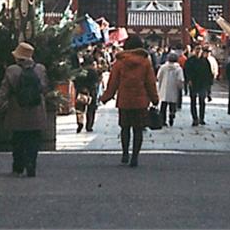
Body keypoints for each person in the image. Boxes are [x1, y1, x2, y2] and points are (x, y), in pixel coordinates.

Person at [100, 34, 158, 167]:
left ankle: (125, 153)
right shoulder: (145, 62)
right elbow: (150, 82)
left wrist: (105, 98)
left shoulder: (120, 62)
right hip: (141, 101)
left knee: (125, 128)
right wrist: (154, 98)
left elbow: (113, 82)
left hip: (124, 100)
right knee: (138, 129)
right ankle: (135, 157)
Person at [0, 42, 48, 178]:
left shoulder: (12, 70)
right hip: (36, 112)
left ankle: (18, 167)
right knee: (33, 141)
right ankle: (31, 166)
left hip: (17, 112)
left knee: (18, 140)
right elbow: (45, 88)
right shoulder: (40, 69)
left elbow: (4, 91)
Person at [183, 44, 213, 126]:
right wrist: (188, 80)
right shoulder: (190, 60)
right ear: (194, 50)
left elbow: (209, 73)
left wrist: (209, 84)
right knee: (193, 101)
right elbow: (186, 71)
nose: (198, 51)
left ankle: (201, 118)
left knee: (202, 101)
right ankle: (195, 118)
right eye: (197, 49)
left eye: (199, 49)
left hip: (203, 83)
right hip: (193, 83)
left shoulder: (205, 61)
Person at [73, 56, 100, 133]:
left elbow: (75, 81)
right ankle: (89, 126)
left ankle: (80, 123)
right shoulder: (93, 71)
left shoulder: (80, 71)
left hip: (80, 92)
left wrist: (79, 88)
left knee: (80, 109)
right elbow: (96, 82)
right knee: (91, 110)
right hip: (91, 93)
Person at [156, 53, 184, 127]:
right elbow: (180, 79)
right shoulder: (178, 69)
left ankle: (163, 120)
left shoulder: (163, 67)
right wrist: (180, 87)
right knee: (173, 103)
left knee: (163, 105)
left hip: (164, 88)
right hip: (174, 88)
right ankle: (172, 114)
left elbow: (158, 76)